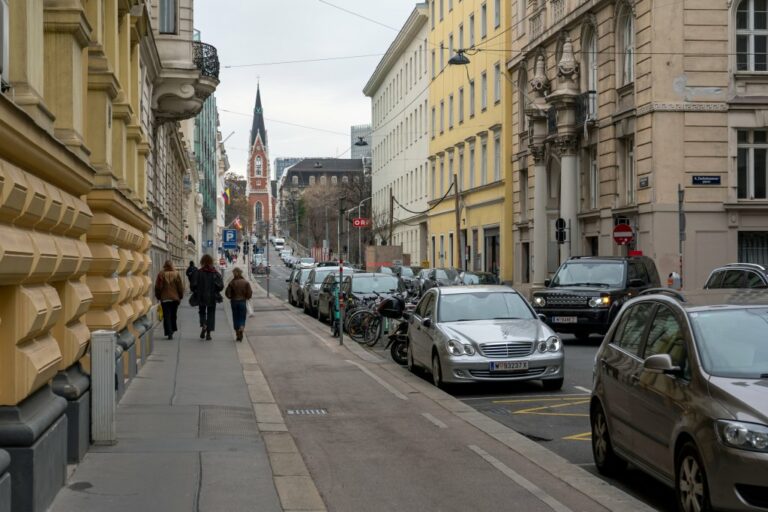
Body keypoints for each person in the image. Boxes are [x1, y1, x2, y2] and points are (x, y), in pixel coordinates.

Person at [191, 254, 223, 341]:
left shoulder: (198, 272)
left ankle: (204, 324)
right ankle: (208, 334)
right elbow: (221, 286)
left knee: (202, 312)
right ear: (211, 262)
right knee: (211, 314)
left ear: (202, 262)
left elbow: (193, 285)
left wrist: (195, 291)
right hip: (212, 297)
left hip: (201, 296)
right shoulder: (215, 273)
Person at [155, 260, 184, 340]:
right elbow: (180, 287)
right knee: (173, 315)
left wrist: (158, 296)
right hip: (174, 299)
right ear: (172, 265)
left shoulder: (161, 274)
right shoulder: (176, 274)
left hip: (164, 299)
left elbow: (157, 287)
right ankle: (173, 329)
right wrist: (180, 296)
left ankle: (169, 332)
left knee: (166, 316)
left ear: (164, 265)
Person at [225, 267, 253, 341]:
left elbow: (227, 293)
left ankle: (237, 332)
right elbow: (250, 293)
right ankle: (241, 327)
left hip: (234, 302)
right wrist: (246, 297)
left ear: (234, 274)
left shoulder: (231, 282)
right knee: (242, 317)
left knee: (235, 317)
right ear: (241, 273)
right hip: (242, 302)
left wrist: (230, 297)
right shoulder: (245, 282)